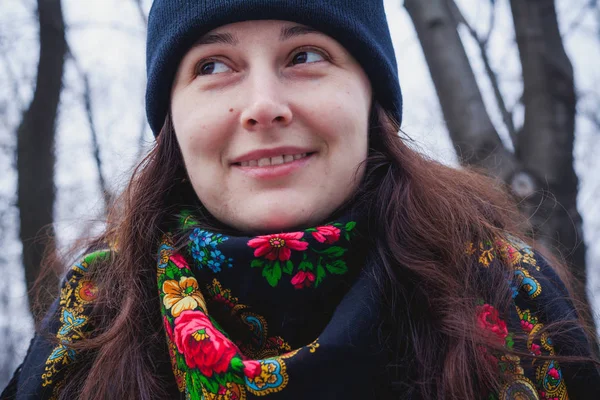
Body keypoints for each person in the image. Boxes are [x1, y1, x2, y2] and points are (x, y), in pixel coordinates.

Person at [3, 0, 600, 399]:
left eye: (305, 56)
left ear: (372, 99)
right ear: (172, 121)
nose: (264, 104)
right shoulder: (91, 324)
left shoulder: (509, 293)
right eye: (214, 65)